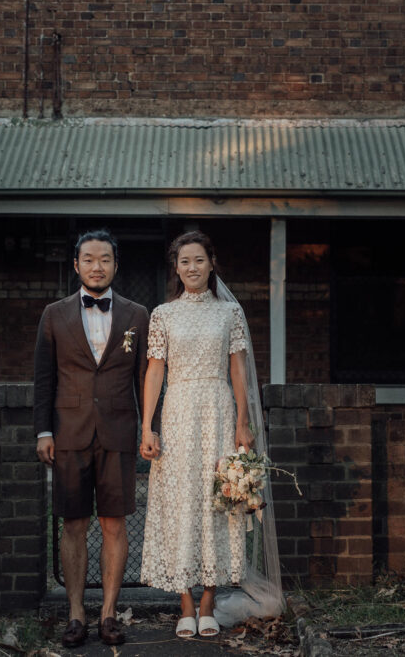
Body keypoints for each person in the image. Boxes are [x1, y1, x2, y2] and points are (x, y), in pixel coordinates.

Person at [139, 230, 283, 639]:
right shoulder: (163, 314)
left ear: (211, 263)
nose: (191, 268)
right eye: (184, 261)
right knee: (181, 501)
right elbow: (155, 371)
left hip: (219, 410)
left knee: (217, 503)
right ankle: (184, 603)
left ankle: (208, 602)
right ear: (176, 267)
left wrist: (242, 421)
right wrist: (148, 424)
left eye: (198, 260)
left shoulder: (228, 314)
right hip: (179, 411)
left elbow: (238, 369)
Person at [34, 229, 150, 648]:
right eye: (89, 259)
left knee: (115, 523)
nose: (97, 266)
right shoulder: (54, 314)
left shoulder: (138, 315)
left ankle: (108, 614)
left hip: (118, 432)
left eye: (105, 259)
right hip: (68, 433)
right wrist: (43, 431)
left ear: (116, 265)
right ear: (77, 264)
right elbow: (44, 379)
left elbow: (144, 379)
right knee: (74, 524)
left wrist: (149, 427)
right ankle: (76, 614)